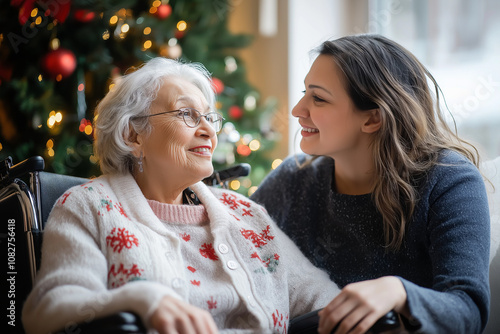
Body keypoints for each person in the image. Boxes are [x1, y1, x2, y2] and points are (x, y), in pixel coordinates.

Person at [21, 57, 341, 334]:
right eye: (187, 115)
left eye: (209, 118)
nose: (209, 131)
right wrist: (143, 299)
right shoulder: (90, 207)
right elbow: (47, 312)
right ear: (133, 135)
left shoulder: (245, 214)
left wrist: (392, 290)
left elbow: (326, 302)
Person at [251, 34, 490, 334]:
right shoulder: (291, 179)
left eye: (319, 98)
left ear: (373, 119)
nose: (298, 110)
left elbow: (468, 312)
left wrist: (399, 293)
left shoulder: (449, 181)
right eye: (304, 92)